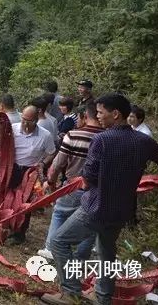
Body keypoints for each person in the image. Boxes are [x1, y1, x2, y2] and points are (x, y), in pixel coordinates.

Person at [44, 93, 158, 305]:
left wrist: (86, 182)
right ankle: (103, 298)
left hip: (96, 207)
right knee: (106, 252)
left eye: (101, 113)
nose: (98, 116)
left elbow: (90, 176)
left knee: (59, 241)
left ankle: (71, 292)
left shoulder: (102, 139)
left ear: (116, 114)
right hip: (122, 210)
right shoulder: (144, 141)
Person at [39, 102, 102, 262]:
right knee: (90, 223)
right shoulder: (107, 137)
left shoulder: (73, 135)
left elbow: (59, 162)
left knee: (60, 213)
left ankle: (51, 249)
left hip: (73, 185)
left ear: (84, 116)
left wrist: (50, 181)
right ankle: (81, 257)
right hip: (98, 189)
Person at [7, 105, 55, 244]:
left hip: (30, 172)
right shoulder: (13, 128)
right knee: (9, 198)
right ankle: (7, 226)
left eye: (29, 121)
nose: (25, 123)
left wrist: (43, 163)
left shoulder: (45, 135)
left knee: (25, 202)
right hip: (13, 168)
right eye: (23, 119)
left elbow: (52, 152)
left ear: (36, 120)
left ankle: (19, 233)